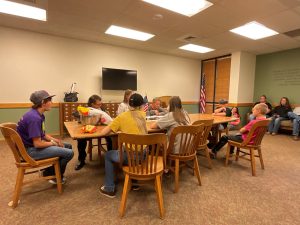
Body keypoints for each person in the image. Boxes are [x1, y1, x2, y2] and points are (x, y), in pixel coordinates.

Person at [17, 90, 74, 184]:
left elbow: (42, 134)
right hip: (29, 151)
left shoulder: (37, 114)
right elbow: (38, 144)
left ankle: (49, 172)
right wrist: (53, 143)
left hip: (30, 147)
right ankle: (53, 175)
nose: (52, 103)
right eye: (50, 100)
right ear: (43, 102)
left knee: (67, 146)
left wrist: (56, 140)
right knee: (69, 153)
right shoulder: (34, 118)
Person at [98, 93, 147, 198]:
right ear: (141, 105)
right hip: (144, 156)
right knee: (135, 146)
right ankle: (134, 183)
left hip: (129, 157)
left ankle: (109, 188)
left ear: (129, 103)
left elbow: (103, 133)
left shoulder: (122, 117)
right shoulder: (143, 115)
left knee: (108, 155)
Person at [75, 95, 113, 170]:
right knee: (81, 139)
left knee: (111, 136)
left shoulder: (102, 108)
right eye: (98, 104)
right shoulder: (87, 109)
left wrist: (105, 116)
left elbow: (107, 117)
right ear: (92, 104)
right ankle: (81, 160)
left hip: (101, 129)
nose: (100, 105)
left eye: (101, 104)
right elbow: (77, 115)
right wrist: (80, 116)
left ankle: (110, 156)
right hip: (90, 129)